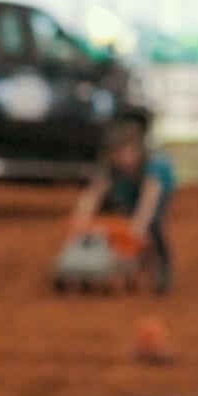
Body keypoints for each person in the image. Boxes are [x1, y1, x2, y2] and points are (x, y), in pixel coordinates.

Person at [64, 119, 177, 292]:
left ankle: (161, 271)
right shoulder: (111, 169)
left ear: (138, 151)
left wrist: (138, 226)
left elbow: (150, 198)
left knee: (152, 227)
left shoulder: (154, 168)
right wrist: (81, 220)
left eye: (128, 152)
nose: (124, 158)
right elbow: (93, 194)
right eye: (118, 153)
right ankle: (113, 265)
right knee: (114, 219)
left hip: (155, 197)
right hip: (128, 193)